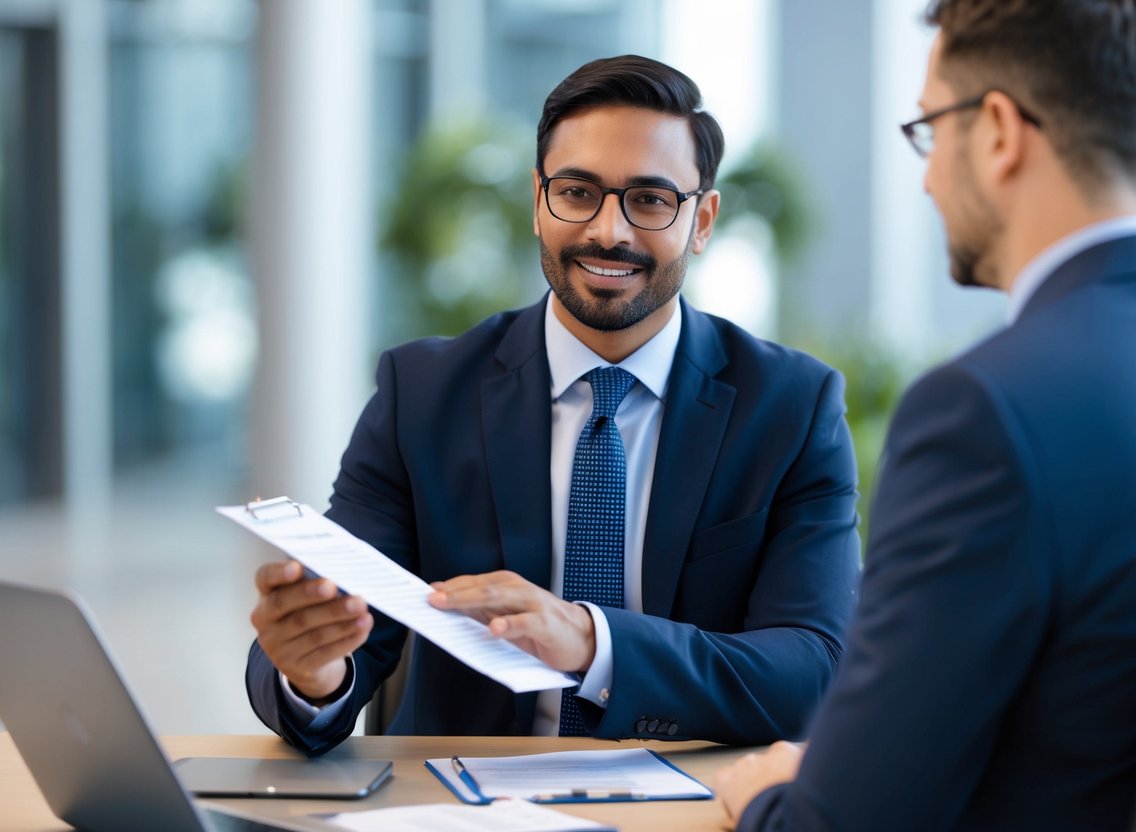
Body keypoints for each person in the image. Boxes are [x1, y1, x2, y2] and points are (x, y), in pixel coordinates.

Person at [245, 54, 861, 756]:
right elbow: (347, 621)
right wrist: (316, 673)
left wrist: (593, 643)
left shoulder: (790, 408)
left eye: (650, 200)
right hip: (464, 796)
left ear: (702, 220)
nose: (609, 231)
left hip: (695, 794)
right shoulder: (422, 394)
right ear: (538, 202)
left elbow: (815, 669)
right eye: (577, 192)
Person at [716, 1, 1136, 829]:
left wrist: (764, 794)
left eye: (929, 129)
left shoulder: (984, 413)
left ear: (998, 133)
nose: (926, 177)